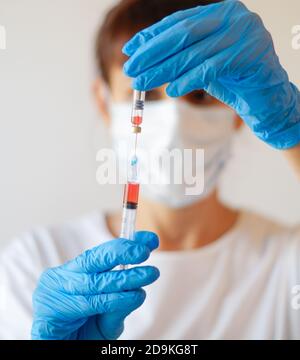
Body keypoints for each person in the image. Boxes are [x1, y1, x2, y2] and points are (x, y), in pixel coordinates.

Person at [0, 0, 300, 340]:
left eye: (199, 95)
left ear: (239, 108)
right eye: (146, 95)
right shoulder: (34, 264)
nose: (174, 123)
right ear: (103, 103)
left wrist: (293, 129)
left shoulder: (288, 265)